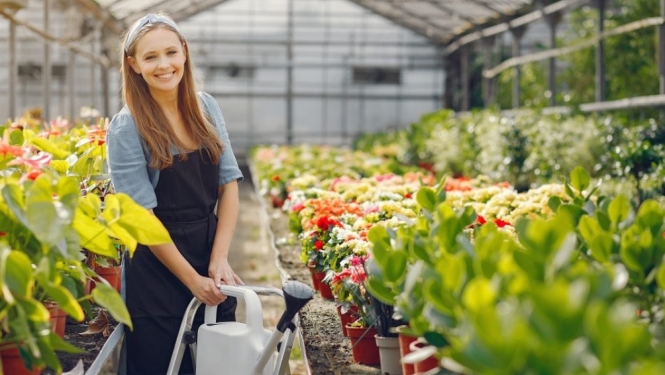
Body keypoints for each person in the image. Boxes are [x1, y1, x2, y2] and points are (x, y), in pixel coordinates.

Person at [106, 12, 244, 375]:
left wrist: (218, 260)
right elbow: (141, 219)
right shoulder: (127, 126)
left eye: (171, 52)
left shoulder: (206, 107)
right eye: (151, 57)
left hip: (207, 246)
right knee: (162, 364)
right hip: (157, 265)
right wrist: (191, 280)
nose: (164, 65)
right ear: (133, 65)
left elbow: (228, 185)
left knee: (222, 362)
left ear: (184, 52)